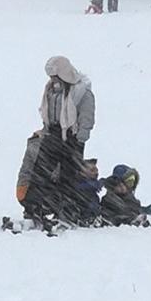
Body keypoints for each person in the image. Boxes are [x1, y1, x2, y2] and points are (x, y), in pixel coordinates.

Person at [34, 56, 96, 222]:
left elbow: (86, 116)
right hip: (53, 135)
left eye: (55, 76)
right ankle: (44, 206)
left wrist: (81, 137)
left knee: (69, 175)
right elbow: (49, 111)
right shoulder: (51, 90)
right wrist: (45, 129)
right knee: (45, 171)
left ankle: (68, 209)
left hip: (72, 137)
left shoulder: (81, 92)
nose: (52, 79)